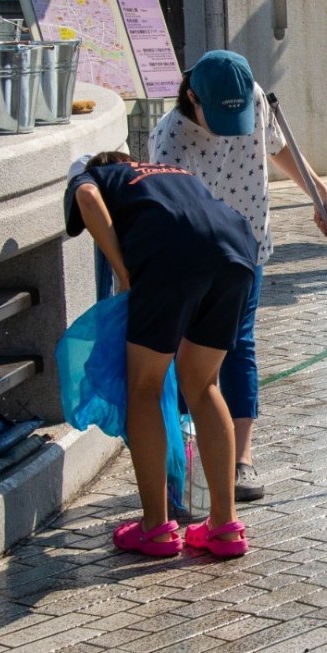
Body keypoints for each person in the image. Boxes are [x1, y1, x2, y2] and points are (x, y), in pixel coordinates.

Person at [150, 50, 327, 504]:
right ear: (192, 97)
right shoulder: (171, 139)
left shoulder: (252, 97)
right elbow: (166, 212)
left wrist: (317, 187)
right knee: (186, 353)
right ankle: (186, 454)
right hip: (192, 254)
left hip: (248, 242)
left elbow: (277, 148)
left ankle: (242, 456)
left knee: (239, 346)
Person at [66, 151, 260, 559]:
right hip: (236, 246)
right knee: (204, 383)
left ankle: (155, 528)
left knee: (145, 387)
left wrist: (123, 272)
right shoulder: (171, 172)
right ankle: (223, 526)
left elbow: (86, 200)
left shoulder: (97, 174)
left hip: (170, 249)